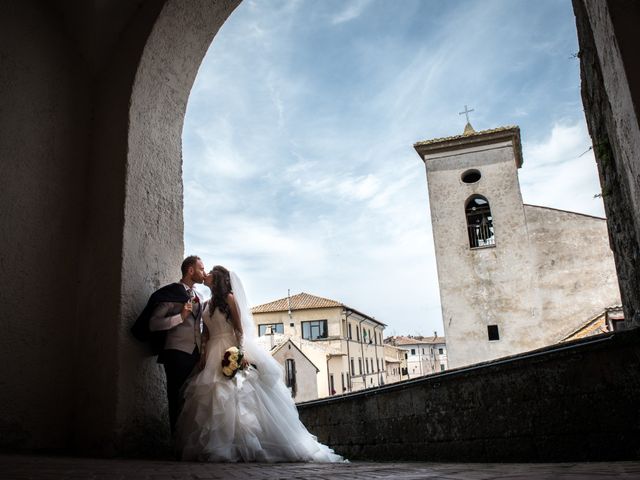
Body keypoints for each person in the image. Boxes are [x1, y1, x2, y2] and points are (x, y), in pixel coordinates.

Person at [175, 265, 345, 463]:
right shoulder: (205, 304)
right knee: (212, 397)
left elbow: (239, 329)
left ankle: (239, 444)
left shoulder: (229, 299)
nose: (206, 275)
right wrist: (204, 354)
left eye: (210, 272)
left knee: (235, 395)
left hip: (230, 348)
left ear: (218, 278)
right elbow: (205, 333)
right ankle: (216, 444)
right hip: (212, 352)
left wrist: (240, 352)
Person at [131, 255, 207, 434]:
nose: (204, 272)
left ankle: (190, 440)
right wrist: (180, 317)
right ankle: (176, 442)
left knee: (194, 399)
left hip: (196, 354)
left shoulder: (200, 296)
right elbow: (154, 323)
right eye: (201, 269)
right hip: (176, 352)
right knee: (176, 397)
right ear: (190, 270)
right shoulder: (170, 294)